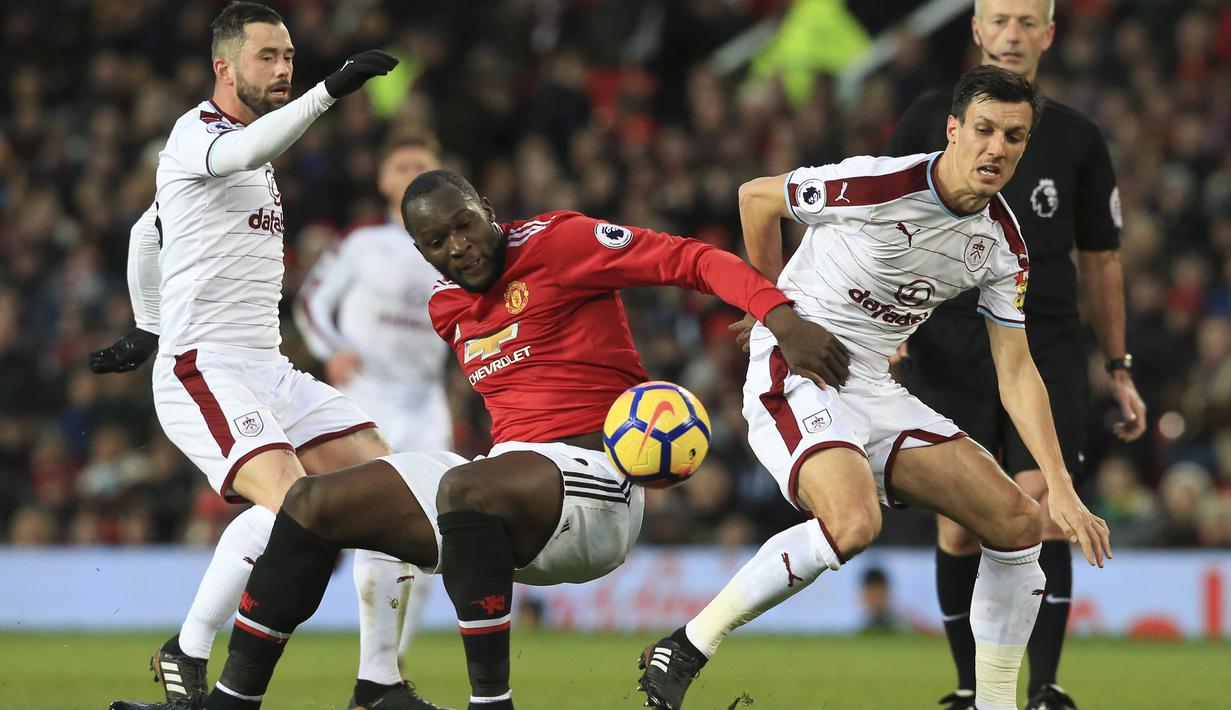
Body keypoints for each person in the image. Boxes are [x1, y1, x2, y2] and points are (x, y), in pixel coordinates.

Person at [109, 168, 846, 710]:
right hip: (508, 489)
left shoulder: (560, 241)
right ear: (420, 251)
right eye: (436, 241)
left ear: (486, 210)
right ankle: (235, 702)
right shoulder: (445, 307)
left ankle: (491, 704)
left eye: (465, 225)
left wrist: (781, 319)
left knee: (464, 486)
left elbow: (692, 259)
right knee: (310, 505)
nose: (458, 247)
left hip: (598, 486)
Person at [635, 65, 1112, 710]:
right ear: (953, 130)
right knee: (855, 522)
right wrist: (770, 308)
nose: (996, 147)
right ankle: (688, 645)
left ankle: (995, 703)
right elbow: (756, 198)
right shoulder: (880, 184)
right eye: (984, 130)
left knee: (1020, 523)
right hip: (800, 365)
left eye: (1014, 136)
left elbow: (1017, 369)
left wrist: (1061, 487)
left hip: (873, 385)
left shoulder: (1003, 244)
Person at [86, 3, 438, 709]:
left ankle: (378, 683)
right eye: (267, 57)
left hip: (268, 368)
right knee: (303, 511)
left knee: (389, 488)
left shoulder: (252, 155)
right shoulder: (198, 134)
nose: (283, 69)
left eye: (290, 58)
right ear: (224, 67)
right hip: (204, 368)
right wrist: (330, 90)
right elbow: (238, 156)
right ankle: (192, 651)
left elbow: (145, 234)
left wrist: (145, 322)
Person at [884, 2, 1147, 708]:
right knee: (959, 524)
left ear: (1048, 34)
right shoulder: (927, 118)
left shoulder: (1078, 137)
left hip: (1046, 339)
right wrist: (890, 324)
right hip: (947, 334)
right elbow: (884, 223)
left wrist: (1117, 364)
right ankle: (970, 689)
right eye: (999, 19)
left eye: (1027, 21)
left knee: (1044, 506)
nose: (1011, 34)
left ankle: (1044, 688)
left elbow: (1102, 257)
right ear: (975, 28)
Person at [293, 129, 450, 693]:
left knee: (435, 530)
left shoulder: (455, 247)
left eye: (422, 164)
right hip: (366, 400)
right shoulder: (363, 243)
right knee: (360, 528)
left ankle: (393, 660)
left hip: (425, 400)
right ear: (384, 180)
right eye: (401, 166)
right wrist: (331, 349)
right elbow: (312, 301)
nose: (411, 174)